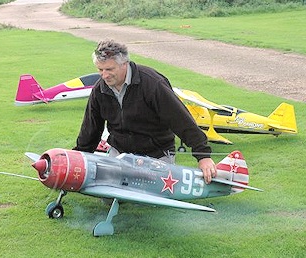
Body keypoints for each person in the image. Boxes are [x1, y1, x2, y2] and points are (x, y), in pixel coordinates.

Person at [73, 39, 216, 184]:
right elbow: (90, 128)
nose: (104, 75)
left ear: (124, 64)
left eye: (109, 69)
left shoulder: (153, 83)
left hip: (156, 153)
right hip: (120, 153)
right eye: (100, 70)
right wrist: (77, 158)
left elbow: (180, 119)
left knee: (156, 191)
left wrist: (203, 156)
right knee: (106, 195)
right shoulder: (100, 90)